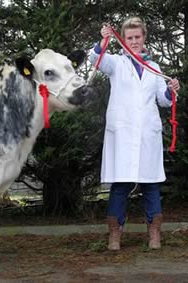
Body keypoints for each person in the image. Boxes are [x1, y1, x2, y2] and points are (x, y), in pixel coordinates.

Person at [89, 17, 180, 251]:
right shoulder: (116, 63)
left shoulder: (155, 68)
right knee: (121, 185)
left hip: (147, 134)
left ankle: (154, 235)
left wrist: (171, 91)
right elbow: (95, 60)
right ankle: (114, 235)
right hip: (123, 133)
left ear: (144, 37)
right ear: (124, 40)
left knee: (151, 185)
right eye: (129, 38)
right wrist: (104, 40)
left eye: (137, 37)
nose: (134, 41)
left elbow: (162, 100)